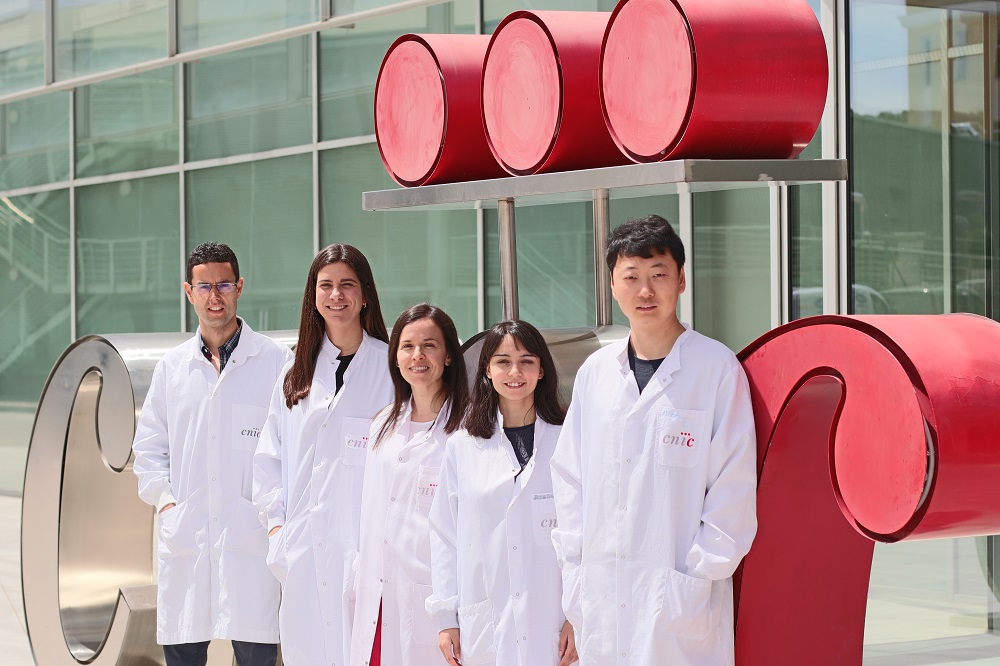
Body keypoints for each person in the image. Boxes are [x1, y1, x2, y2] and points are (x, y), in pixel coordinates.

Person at [549, 214, 758, 665]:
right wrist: (575, 573)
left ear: (681, 280)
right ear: (612, 285)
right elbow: (569, 480)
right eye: (632, 277)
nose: (645, 291)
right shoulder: (595, 374)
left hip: (680, 605)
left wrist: (696, 578)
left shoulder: (715, 369)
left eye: (658, 275)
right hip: (601, 597)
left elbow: (733, 490)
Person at [132, 242, 292, 666]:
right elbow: (148, 451)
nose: (214, 295)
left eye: (223, 284)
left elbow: (292, 447)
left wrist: (275, 518)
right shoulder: (172, 367)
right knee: (183, 652)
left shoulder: (276, 362)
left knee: (257, 652)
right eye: (204, 286)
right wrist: (168, 506)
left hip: (252, 539)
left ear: (239, 287)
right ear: (189, 291)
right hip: (187, 534)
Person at [253, 243, 393, 666]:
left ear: (365, 294)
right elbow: (268, 461)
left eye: (347, 285)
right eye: (326, 285)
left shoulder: (391, 368)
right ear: (312, 296)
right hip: (303, 551)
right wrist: (278, 533)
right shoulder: (295, 372)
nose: (336, 295)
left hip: (365, 550)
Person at [427, 320, 578, 666]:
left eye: (527, 361)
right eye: (503, 361)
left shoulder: (569, 439)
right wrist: (446, 618)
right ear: (487, 370)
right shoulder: (463, 447)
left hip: (556, 624)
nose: (515, 371)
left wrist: (577, 613)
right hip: (487, 625)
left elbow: (589, 531)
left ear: (542, 370)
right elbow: (444, 536)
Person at [350, 303, 469, 666]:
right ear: (395, 357)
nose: (417, 356)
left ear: (449, 355)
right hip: (378, 595)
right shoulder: (383, 424)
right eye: (407, 346)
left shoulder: (468, 429)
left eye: (429, 345)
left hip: (437, 599)